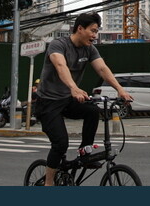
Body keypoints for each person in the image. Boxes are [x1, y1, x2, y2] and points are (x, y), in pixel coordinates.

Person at [33, 12, 133, 186]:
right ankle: (49, 183)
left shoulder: (89, 48)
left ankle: (84, 153)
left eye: (97, 31)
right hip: (48, 103)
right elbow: (60, 65)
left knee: (92, 111)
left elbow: (102, 69)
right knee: (60, 143)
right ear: (80, 28)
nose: (95, 35)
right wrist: (73, 88)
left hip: (67, 100)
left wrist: (120, 90)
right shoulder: (58, 45)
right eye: (92, 31)